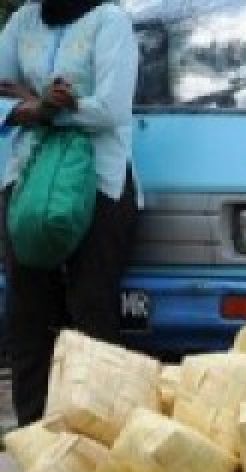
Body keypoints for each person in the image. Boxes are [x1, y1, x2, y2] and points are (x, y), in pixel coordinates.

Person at [0, 0, 140, 426]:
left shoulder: (109, 21)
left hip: (98, 184)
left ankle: (97, 439)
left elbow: (112, 109)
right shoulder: (24, 20)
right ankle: (34, 439)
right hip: (29, 180)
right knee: (27, 314)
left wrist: (42, 109)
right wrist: (42, 107)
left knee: (91, 311)